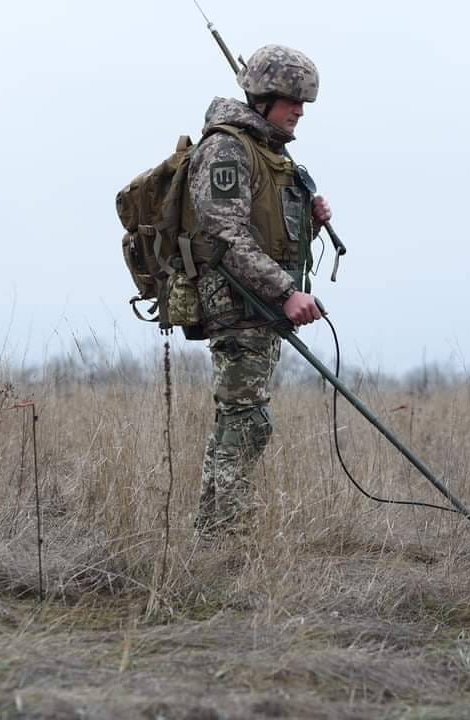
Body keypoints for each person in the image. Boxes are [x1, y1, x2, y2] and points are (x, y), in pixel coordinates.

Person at [187, 44, 333, 541]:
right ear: (264, 97)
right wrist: (286, 291)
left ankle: (212, 532)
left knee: (241, 418)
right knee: (247, 421)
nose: (300, 111)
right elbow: (226, 236)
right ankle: (226, 534)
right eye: (293, 100)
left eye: (303, 103)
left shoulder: (270, 154)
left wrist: (309, 224)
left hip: (261, 306)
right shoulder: (226, 149)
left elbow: (271, 236)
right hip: (238, 304)